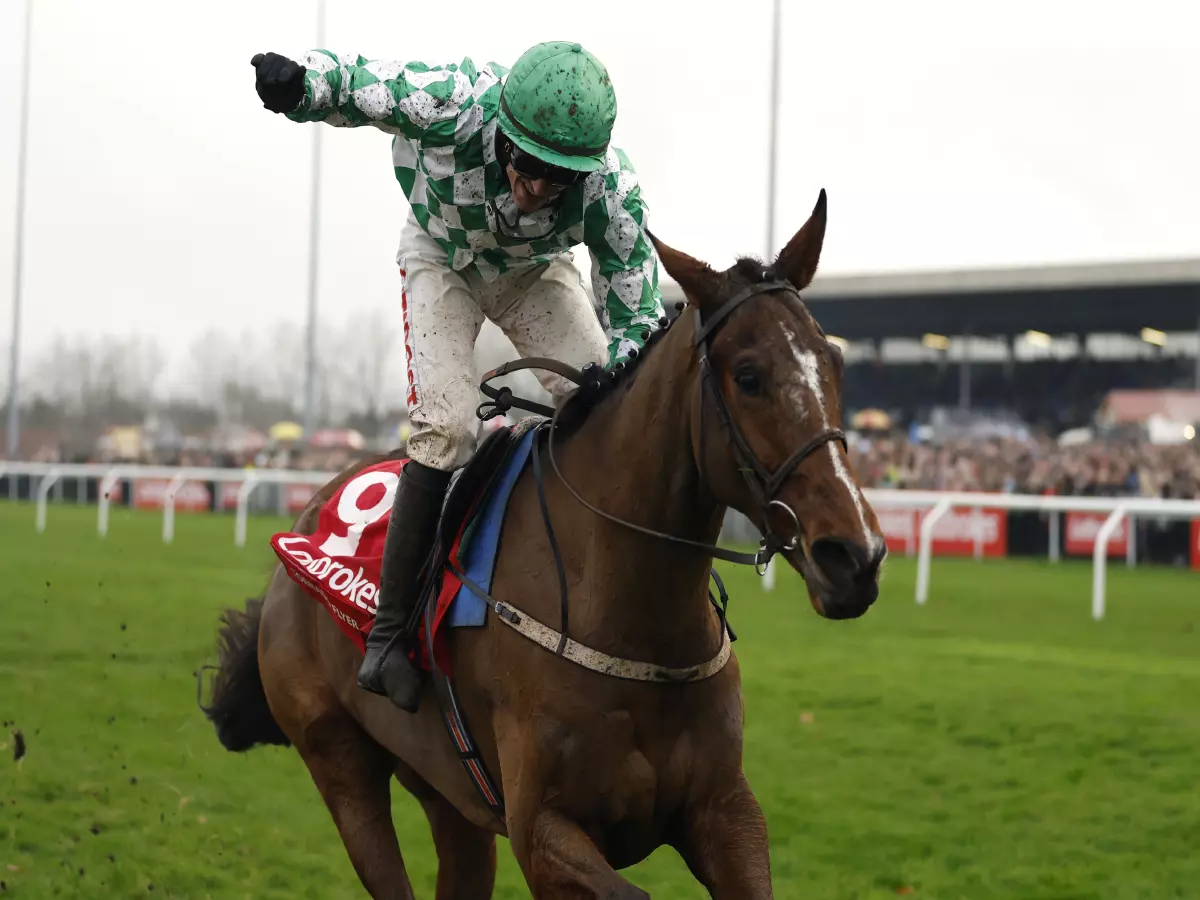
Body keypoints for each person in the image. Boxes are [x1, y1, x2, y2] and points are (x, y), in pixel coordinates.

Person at [250, 41, 665, 713]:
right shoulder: (458, 102)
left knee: (611, 408)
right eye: (527, 166)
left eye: (557, 178)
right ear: (502, 131)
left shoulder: (610, 192)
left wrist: (611, 378)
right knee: (445, 427)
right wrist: (302, 87)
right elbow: (368, 87)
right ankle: (388, 638)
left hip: (532, 275)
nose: (536, 189)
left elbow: (636, 309)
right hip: (440, 257)